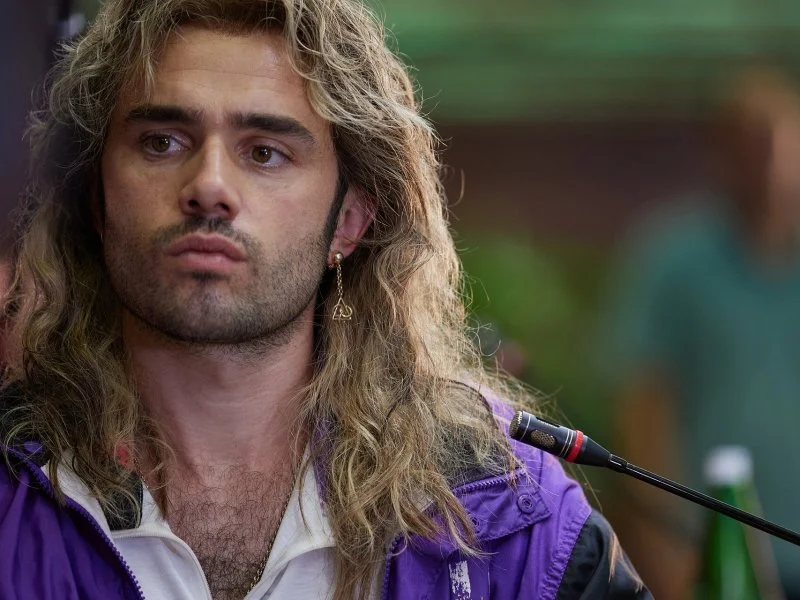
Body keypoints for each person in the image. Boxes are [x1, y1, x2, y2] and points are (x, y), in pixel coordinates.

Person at [0, 1, 650, 598]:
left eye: (265, 152)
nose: (209, 185)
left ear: (349, 222)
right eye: (162, 142)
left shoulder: (510, 520)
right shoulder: (13, 491)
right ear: (95, 196)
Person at [597, 68, 800, 600]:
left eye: (779, 141)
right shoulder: (673, 260)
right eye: (751, 144)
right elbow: (643, 407)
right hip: (718, 554)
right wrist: (666, 547)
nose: (769, 162)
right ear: (721, 155)